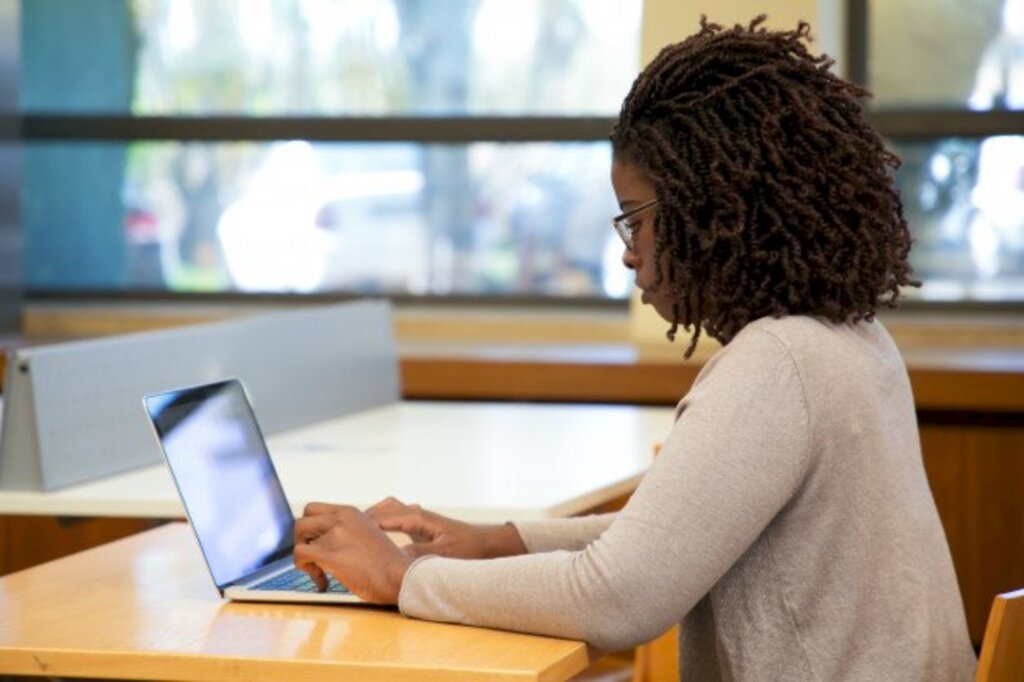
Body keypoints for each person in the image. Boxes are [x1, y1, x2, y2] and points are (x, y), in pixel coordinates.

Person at [293, 16, 977, 681]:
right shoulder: (850, 339)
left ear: (712, 209)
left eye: (638, 221)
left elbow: (618, 597)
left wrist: (400, 575)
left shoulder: (778, 364)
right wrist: (493, 542)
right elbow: (666, 543)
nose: (628, 254)